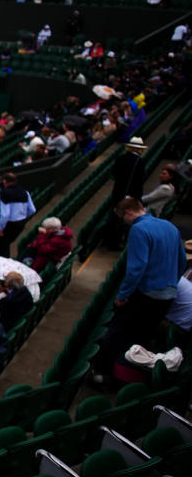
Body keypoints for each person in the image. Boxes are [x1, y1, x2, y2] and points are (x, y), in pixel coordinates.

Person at [92, 197, 185, 383]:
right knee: (142, 336)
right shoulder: (169, 226)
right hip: (167, 295)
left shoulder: (138, 229)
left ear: (128, 213)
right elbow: (181, 260)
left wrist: (123, 295)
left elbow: (137, 267)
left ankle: (101, 373)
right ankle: (126, 376)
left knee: (118, 331)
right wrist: (170, 283)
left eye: (123, 218)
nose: (124, 222)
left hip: (146, 294)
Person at [105, 137, 148, 249]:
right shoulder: (140, 162)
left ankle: (109, 240)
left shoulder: (120, 158)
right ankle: (117, 241)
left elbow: (113, 173)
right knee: (124, 219)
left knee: (114, 216)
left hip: (118, 192)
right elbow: (140, 180)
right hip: (131, 195)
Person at [0, 173, 35, 258]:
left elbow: (5, 215)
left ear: (5, 181)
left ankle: (4, 268)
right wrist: (23, 216)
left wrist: (1, 228)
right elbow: (32, 210)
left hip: (10, 225)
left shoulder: (5, 193)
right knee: (6, 244)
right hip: (21, 223)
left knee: (2, 247)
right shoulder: (25, 192)